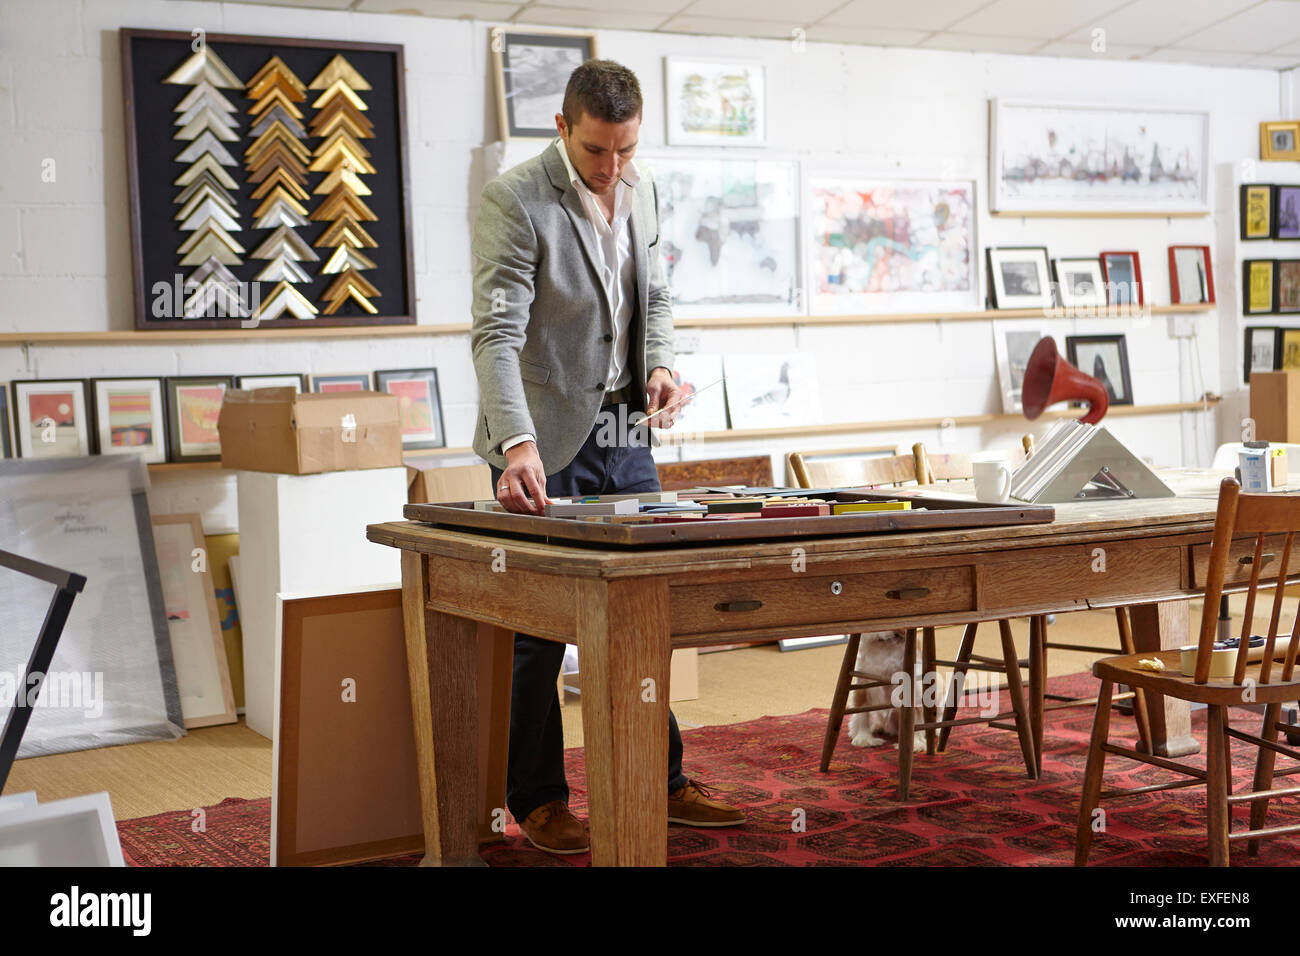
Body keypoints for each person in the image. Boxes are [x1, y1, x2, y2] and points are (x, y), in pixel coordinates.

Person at [469, 59, 745, 855]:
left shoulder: (644, 187)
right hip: (543, 440)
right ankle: (540, 800)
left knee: (640, 616)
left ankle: (662, 783)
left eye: (625, 151)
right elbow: (495, 335)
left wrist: (659, 362)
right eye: (597, 151)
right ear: (562, 128)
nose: (613, 169)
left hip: (627, 430)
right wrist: (516, 442)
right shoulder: (514, 201)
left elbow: (654, 295)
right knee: (539, 632)